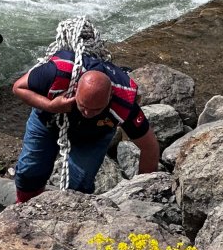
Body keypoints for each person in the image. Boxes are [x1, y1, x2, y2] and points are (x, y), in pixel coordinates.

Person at [11, 17, 159, 203]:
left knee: (79, 182)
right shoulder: (56, 72)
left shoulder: (123, 101)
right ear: (75, 89)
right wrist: (50, 105)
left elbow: (150, 146)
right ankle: (24, 206)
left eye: (96, 109)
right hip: (48, 119)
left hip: (93, 135)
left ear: (110, 97)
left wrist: (144, 195)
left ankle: (72, 211)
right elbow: (18, 87)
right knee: (29, 172)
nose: (88, 112)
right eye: (83, 106)